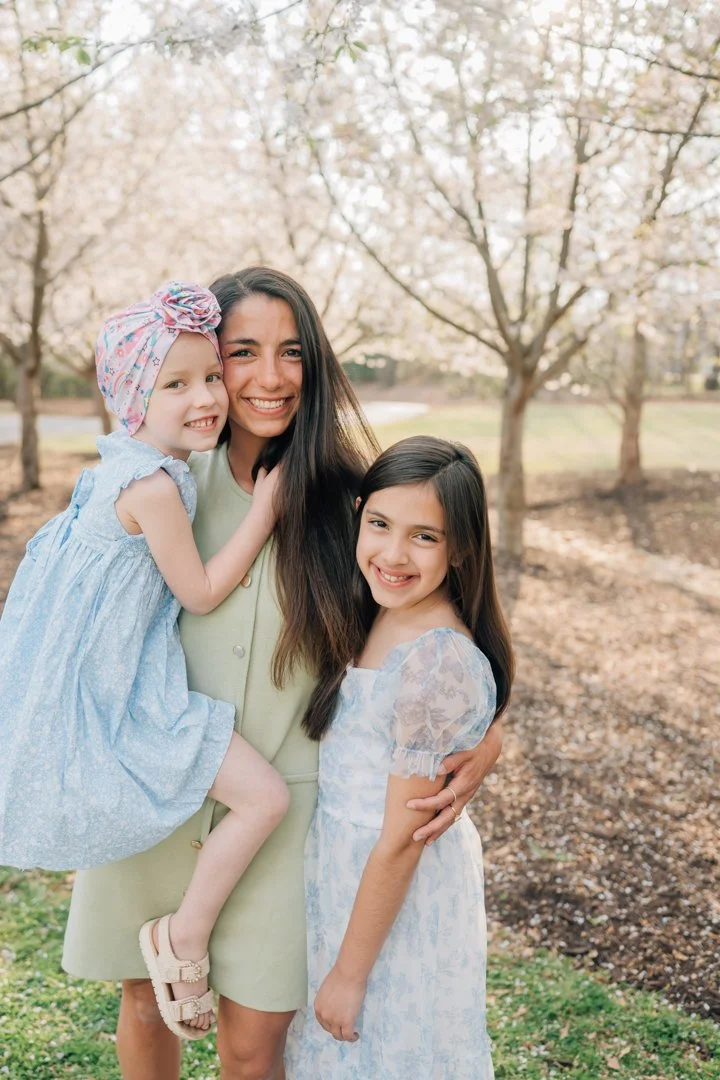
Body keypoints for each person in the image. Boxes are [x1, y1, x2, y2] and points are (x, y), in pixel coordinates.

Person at [62, 268, 505, 1080]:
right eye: (243, 352)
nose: (269, 376)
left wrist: (491, 739)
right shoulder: (157, 483)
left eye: (292, 352)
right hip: (150, 787)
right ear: (207, 359)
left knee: (254, 1042)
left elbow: (440, 634)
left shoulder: (353, 505)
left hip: (281, 813)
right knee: (142, 1003)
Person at [0, 282, 290, 1040]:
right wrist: (263, 510)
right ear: (134, 399)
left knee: (256, 798)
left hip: (113, 688)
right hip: (128, 701)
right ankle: (184, 933)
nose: (207, 398)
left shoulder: (116, 466)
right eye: (175, 385)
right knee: (265, 798)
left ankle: (180, 932)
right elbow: (196, 594)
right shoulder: (155, 485)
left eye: (209, 377)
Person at [284, 436, 513, 1078]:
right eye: (379, 524)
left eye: (424, 537)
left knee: (386, 1051)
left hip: (393, 889)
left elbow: (402, 840)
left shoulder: (435, 658)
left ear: (461, 547)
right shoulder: (378, 611)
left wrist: (350, 974)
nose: (392, 553)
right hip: (345, 876)